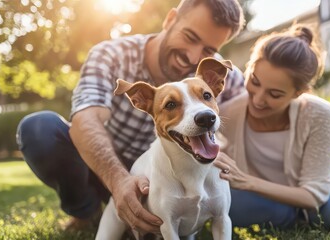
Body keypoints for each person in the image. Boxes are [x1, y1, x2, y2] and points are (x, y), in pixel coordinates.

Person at [16, 0, 245, 234]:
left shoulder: (219, 73)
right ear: (170, 19)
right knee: (39, 129)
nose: (193, 56)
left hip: (176, 177)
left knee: (257, 207)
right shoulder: (111, 54)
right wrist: (119, 182)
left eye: (208, 50)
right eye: (190, 37)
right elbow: (85, 119)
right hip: (107, 170)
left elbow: (255, 108)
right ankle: (85, 211)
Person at [213, 25, 330, 232]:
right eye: (254, 81)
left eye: (275, 94)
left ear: (299, 92)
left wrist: (247, 182)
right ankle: (291, 213)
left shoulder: (320, 113)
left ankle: (299, 211)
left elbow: (314, 194)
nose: (258, 99)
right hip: (263, 188)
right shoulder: (229, 112)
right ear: (249, 68)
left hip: (315, 182)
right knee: (232, 210)